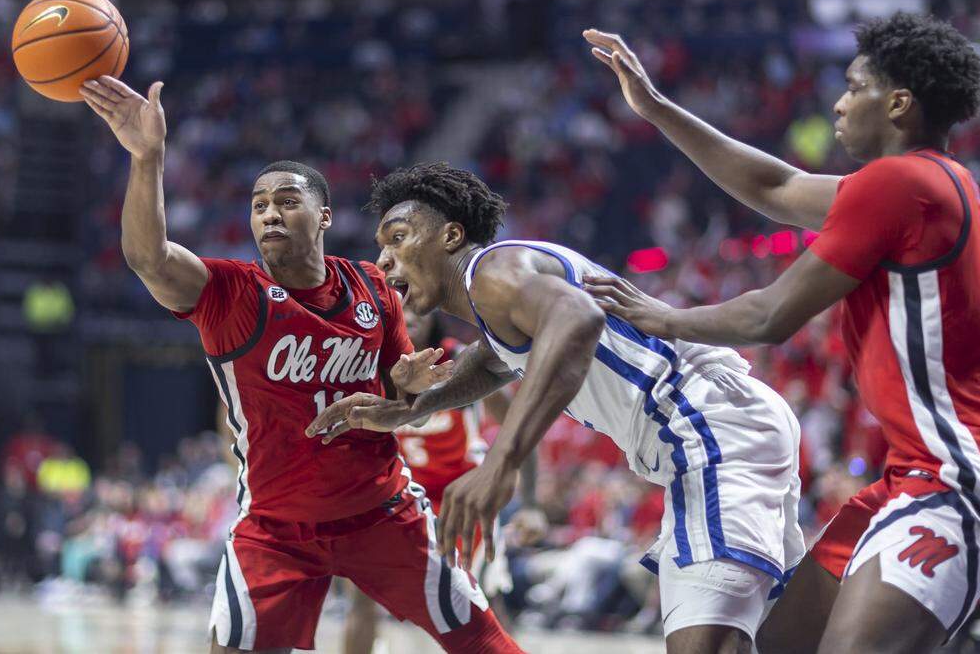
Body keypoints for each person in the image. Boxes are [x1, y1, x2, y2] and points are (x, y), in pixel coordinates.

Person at [576, 14, 980, 653]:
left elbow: (770, 316)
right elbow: (775, 186)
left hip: (970, 467)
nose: (838, 103)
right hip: (919, 468)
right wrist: (658, 109)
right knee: (780, 645)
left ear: (898, 104)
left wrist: (659, 317)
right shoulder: (929, 181)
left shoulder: (902, 183)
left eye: (855, 88)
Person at [79, 76, 523, 654]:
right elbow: (149, 257)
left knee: (487, 642)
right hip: (275, 528)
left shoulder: (373, 288)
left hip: (382, 512)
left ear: (324, 216)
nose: (270, 214)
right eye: (259, 205)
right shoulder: (231, 291)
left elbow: (401, 406)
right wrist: (147, 158)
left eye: (287, 202)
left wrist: (408, 388)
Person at [308, 162, 805, 654]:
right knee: (773, 637)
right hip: (718, 425)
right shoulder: (499, 297)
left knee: (703, 643)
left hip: (702, 427)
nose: (384, 259)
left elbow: (577, 319)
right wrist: (407, 409)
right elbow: (493, 361)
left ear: (451, 236)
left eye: (397, 238)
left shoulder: (493, 272)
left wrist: (501, 463)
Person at [342, 307, 514, 654]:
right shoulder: (369, 368)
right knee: (362, 594)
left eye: (416, 306)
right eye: (399, 306)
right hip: (401, 494)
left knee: (481, 598)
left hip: (461, 495)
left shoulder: (461, 360)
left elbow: (516, 424)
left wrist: (515, 487)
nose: (409, 314)